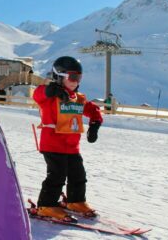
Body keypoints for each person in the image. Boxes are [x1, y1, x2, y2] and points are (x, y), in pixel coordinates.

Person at [33, 56, 103, 221]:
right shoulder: (49, 95)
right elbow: (38, 94)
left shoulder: (77, 98)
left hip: (72, 146)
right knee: (57, 175)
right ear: (59, 76)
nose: (75, 81)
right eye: (72, 77)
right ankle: (46, 205)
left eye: (78, 77)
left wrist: (95, 124)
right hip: (52, 144)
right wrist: (51, 90)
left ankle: (75, 201)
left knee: (78, 175)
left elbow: (93, 110)